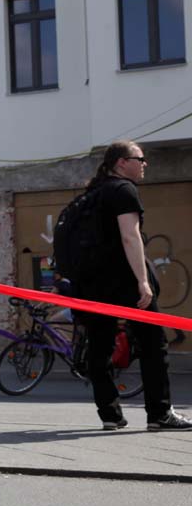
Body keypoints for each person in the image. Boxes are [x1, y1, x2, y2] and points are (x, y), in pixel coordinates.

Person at [73, 141, 191, 432]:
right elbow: (130, 236)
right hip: (124, 283)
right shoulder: (123, 190)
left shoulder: (91, 195)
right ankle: (159, 414)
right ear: (122, 162)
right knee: (153, 345)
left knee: (99, 349)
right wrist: (141, 282)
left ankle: (110, 416)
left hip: (92, 286)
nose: (144, 164)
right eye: (140, 159)